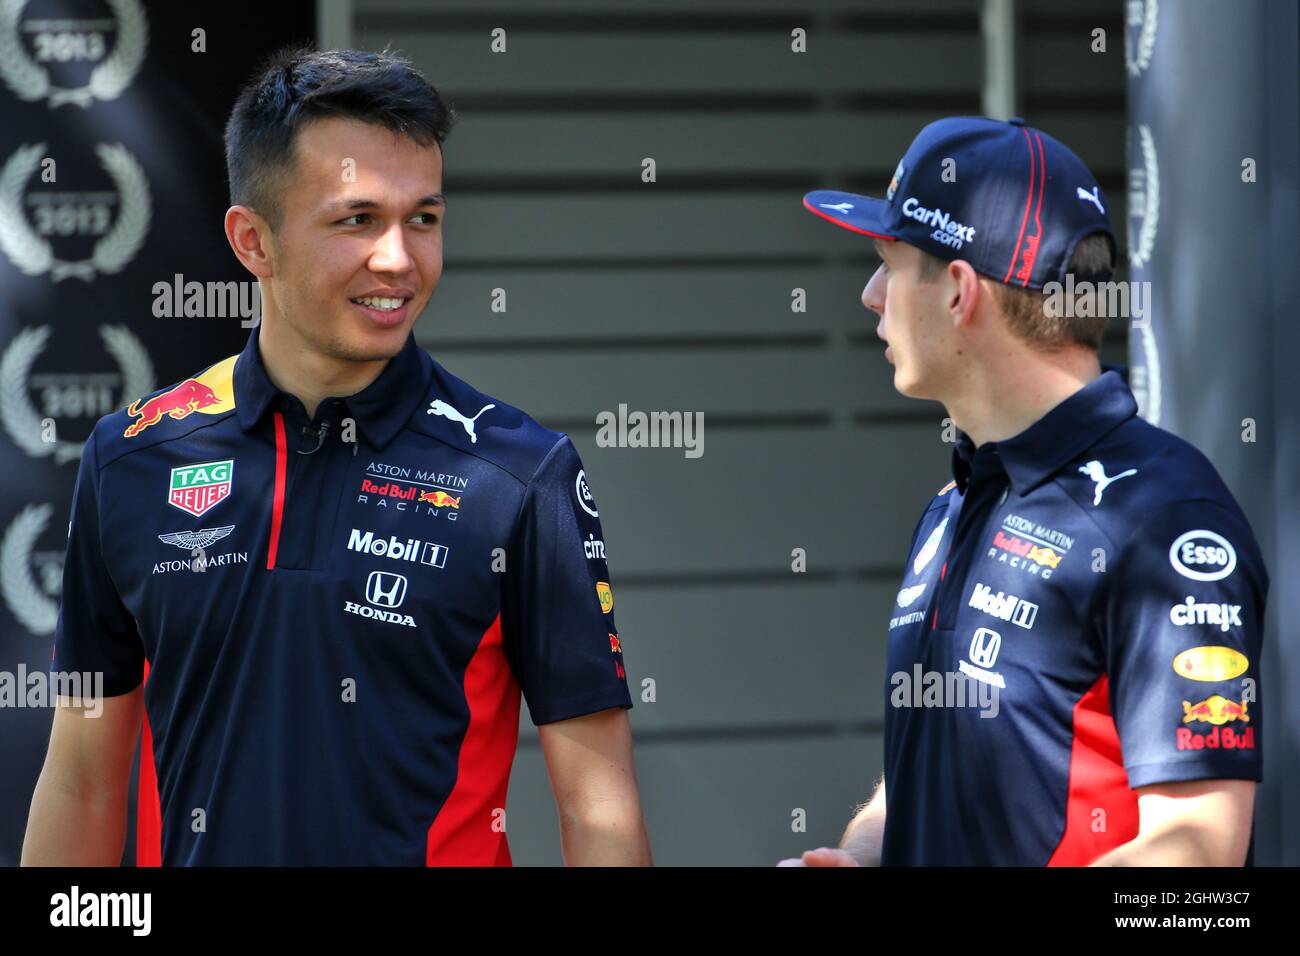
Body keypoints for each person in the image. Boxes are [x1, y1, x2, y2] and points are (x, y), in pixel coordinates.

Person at [23, 47, 651, 866]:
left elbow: (598, 808)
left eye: (423, 217)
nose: (398, 259)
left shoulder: (519, 474)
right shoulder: (132, 456)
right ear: (254, 242)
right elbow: (81, 779)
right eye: (357, 219)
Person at [781, 116, 1266, 866]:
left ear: (959, 292)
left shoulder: (1164, 521)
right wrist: (866, 853)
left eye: (890, 261)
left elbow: (1198, 854)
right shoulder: (954, 506)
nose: (872, 295)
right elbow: (938, 765)